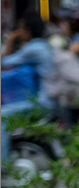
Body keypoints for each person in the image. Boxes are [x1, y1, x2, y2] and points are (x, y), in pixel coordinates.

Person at [1, 11, 54, 163]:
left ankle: (3, 167)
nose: (18, 33)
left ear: (27, 30)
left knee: (2, 116)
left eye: (20, 29)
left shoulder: (33, 48)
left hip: (42, 102)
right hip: (44, 99)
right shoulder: (42, 46)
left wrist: (10, 40)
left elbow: (5, 62)